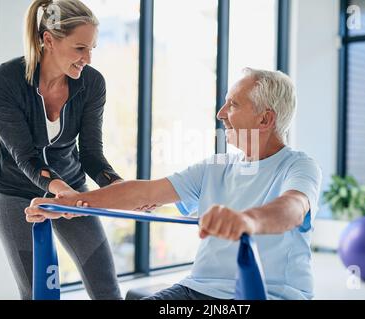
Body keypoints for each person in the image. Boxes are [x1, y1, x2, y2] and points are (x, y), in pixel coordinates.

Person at [26, 68, 323, 300]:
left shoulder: (298, 165)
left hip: (271, 293)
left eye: (232, 104)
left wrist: (247, 220)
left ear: (264, 119)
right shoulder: (216, 166)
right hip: (197, 291)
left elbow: (293, 208)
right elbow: (143, 191)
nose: (221, 114)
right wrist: (67, 204)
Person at [0, 0, 123, 300]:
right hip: (15, 192)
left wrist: (122, 189)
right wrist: (61, 191)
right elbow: (26, 156)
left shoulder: (92, 83)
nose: (88, 58)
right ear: (48, 40)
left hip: (72, 189)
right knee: (37, 292)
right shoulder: (4, 82)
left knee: (107, 288)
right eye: (79, 48)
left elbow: (91, 155)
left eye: (92, 48)